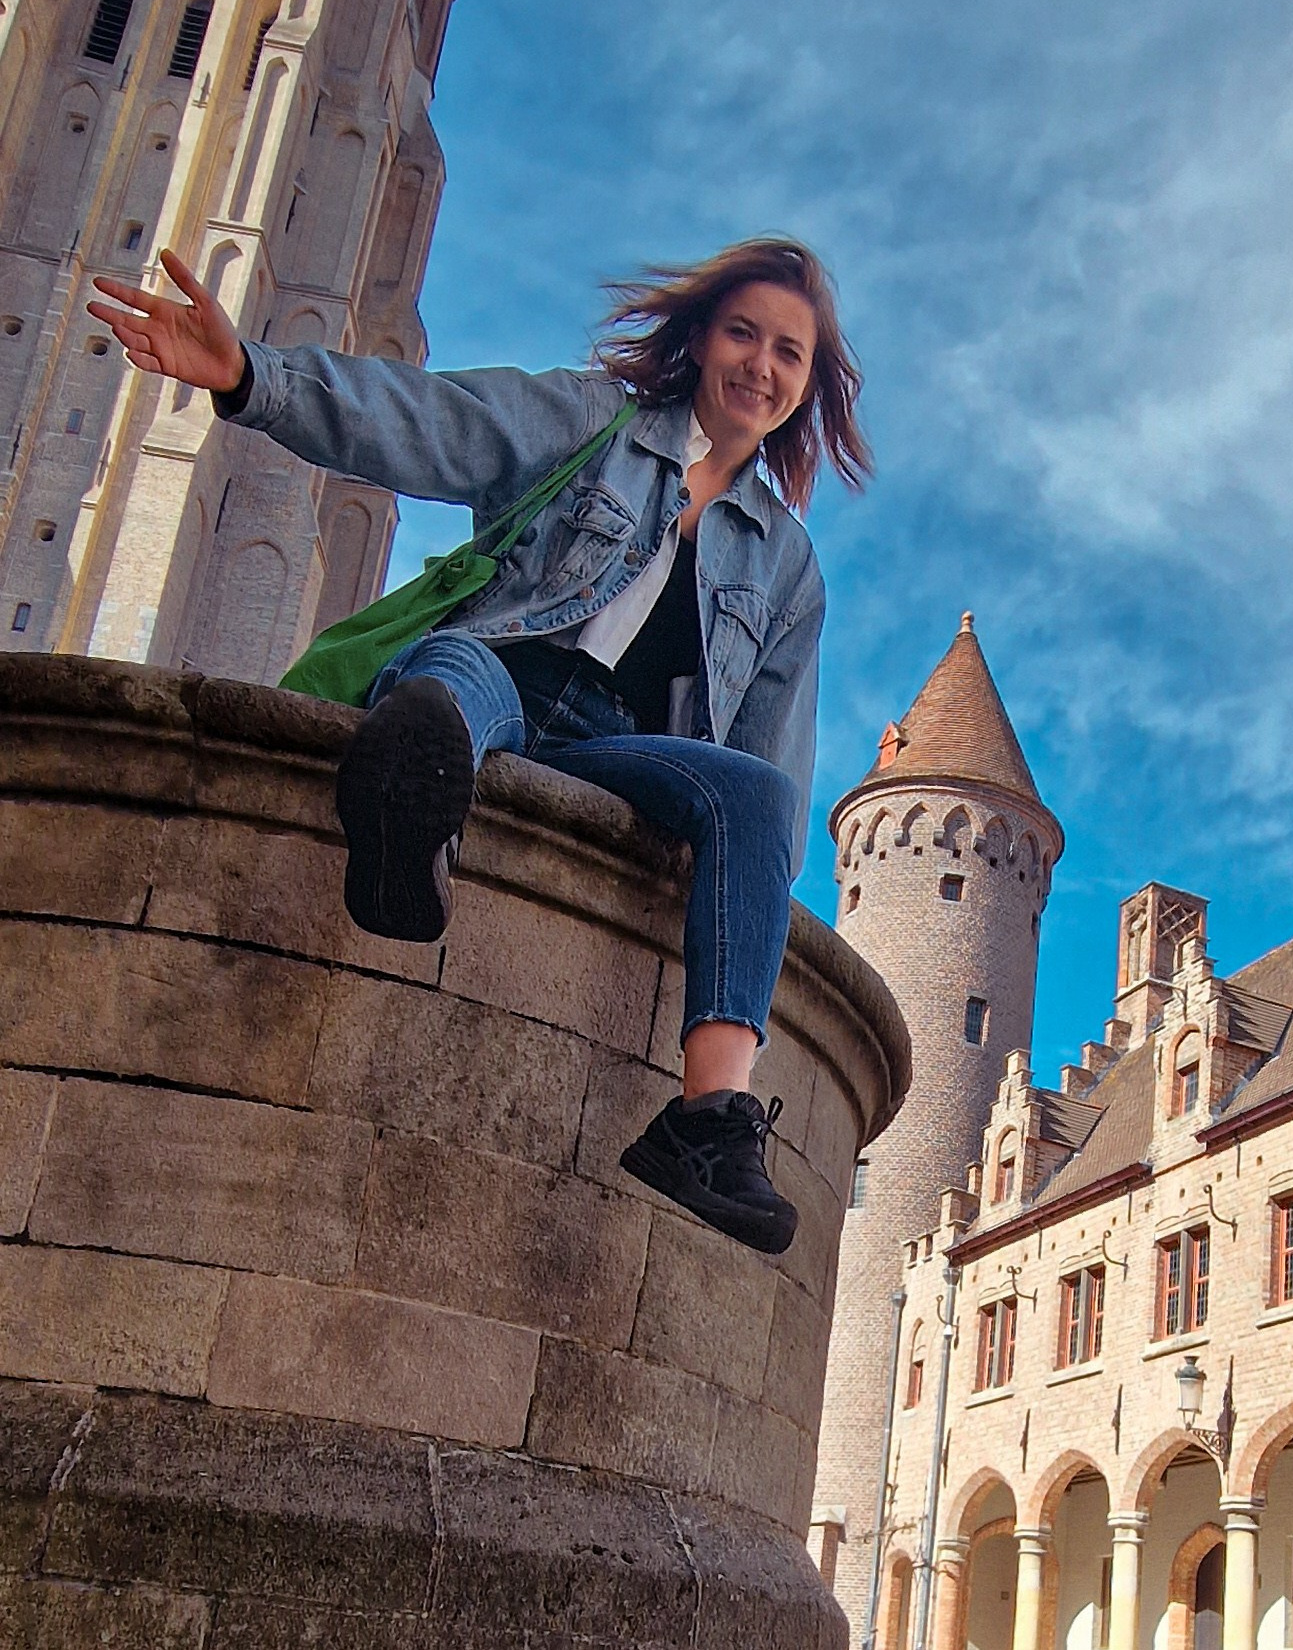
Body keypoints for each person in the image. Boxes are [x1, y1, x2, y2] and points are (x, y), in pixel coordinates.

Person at [87, 241, 869, 1256]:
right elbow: (431, 420)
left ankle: (708, 1122)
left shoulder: (788, 566)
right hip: (503, 673)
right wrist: (249, 376)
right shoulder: (593, 421)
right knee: (448, 673)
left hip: (617, 750)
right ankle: (411, 823)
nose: (760, 365)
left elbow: (771, 753)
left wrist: (746, 914)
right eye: (743, 334)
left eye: (788, 353)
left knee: (759, 793)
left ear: (807, 386)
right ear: (700, 340)